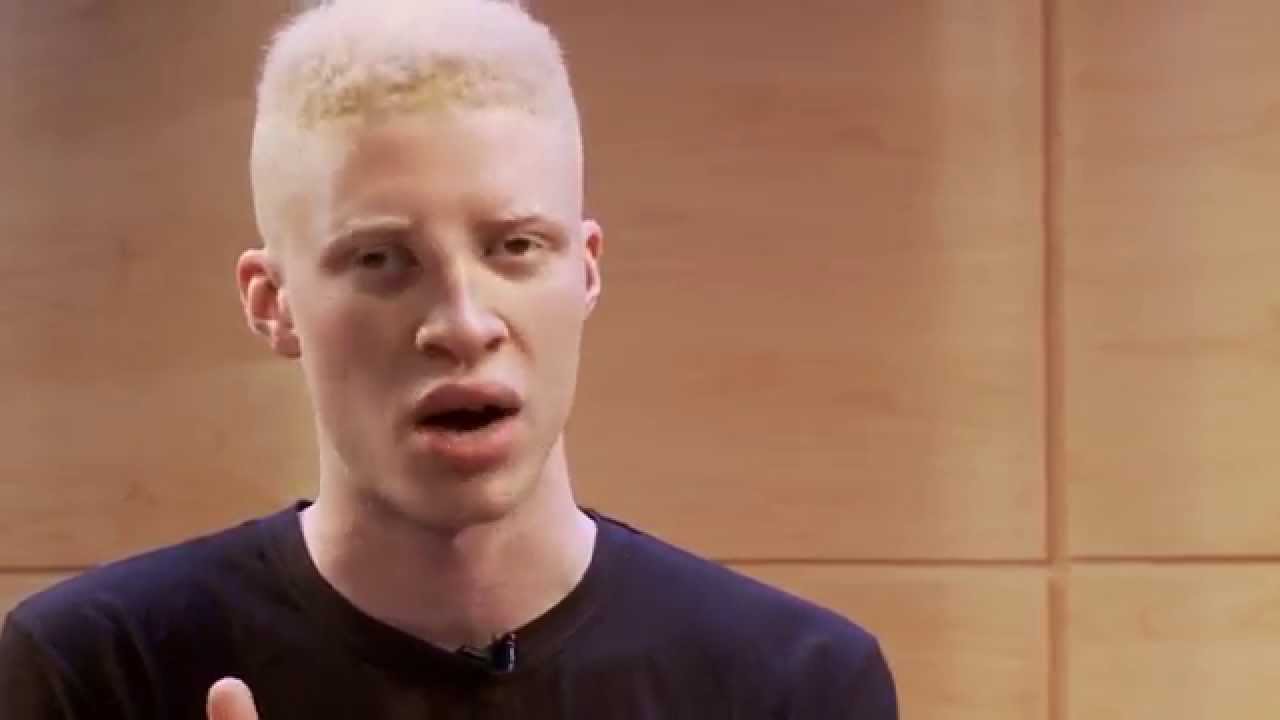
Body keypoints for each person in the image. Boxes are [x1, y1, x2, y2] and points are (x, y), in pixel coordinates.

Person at [0, 1, 898, 717]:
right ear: (273, 303)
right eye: (382, 260)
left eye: (515, 247)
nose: (464, 324)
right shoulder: (94, 671)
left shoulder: (795, 684)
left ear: (586, 271)